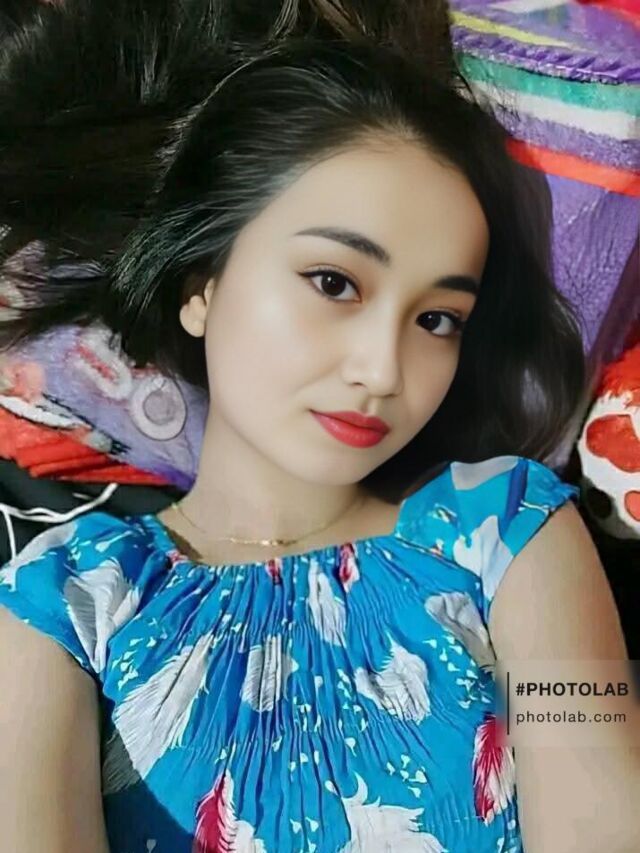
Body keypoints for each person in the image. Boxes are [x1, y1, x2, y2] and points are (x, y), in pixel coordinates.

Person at [0, 2, 637, 852]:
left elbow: (602, 815)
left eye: (438, 319)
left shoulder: (511, 529)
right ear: (201, 286)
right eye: (334, 282)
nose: (383, 368)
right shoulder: (66, 598)